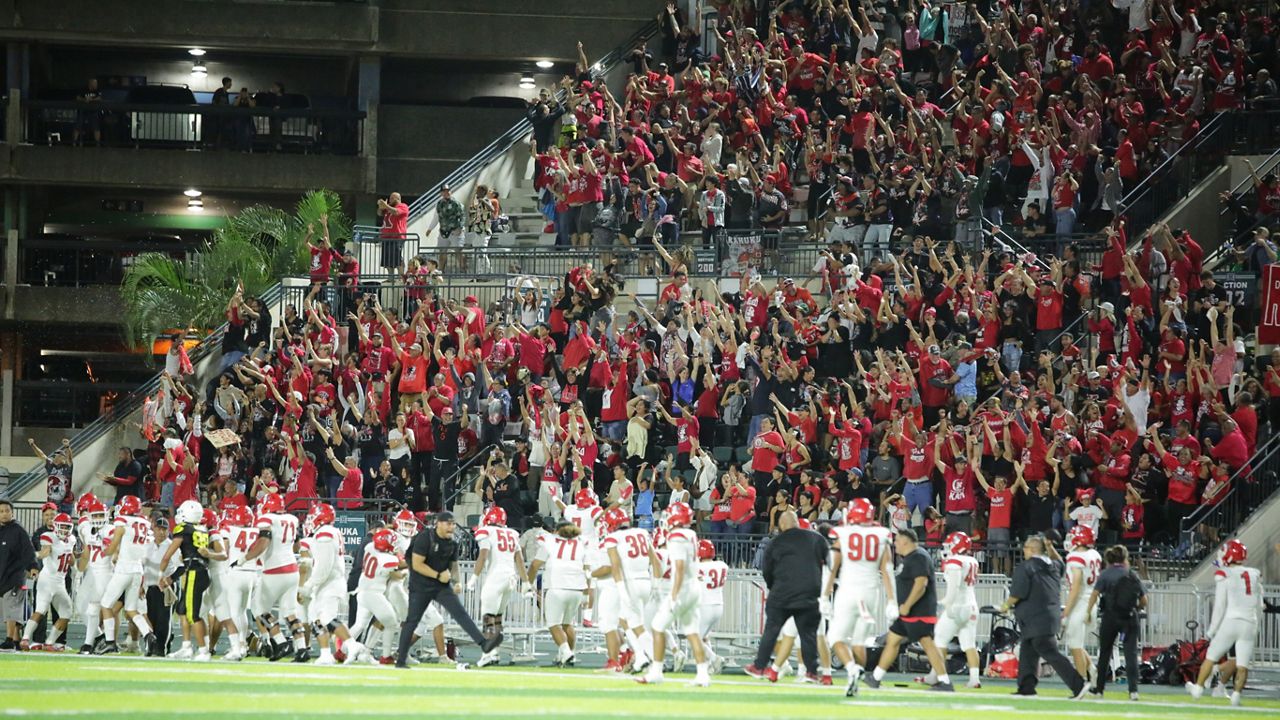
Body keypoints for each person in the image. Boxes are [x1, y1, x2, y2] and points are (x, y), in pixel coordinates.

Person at [395, 511, 502, 667]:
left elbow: (453, 565)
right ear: (439, 523)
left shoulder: (452, 543)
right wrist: (438, 575)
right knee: (412, 621)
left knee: (460, 613)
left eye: (453, 524)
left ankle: (483, 643)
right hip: (420, 585)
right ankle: (400, 659)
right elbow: (417, 565)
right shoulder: (425, 538)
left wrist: (457, 581)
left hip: (440, 585)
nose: (451, 527)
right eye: (448, 523)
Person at [862, 529, 953, 693]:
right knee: (893, 641)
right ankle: (875, 678)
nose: (894, 544)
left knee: (928, 644)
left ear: (905, 541)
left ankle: (945, 682)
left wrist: (907, 605)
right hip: (908, 615)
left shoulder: (918, 557)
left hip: (919, 612)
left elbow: (921, 584)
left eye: (896, 541)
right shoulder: (911, 558)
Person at [745, 510, 828, 685]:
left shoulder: (775, 543)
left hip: (782, 593)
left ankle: (760, 666)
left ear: (782, 525)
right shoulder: (816, 538)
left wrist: (772, 586)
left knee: (772, 630)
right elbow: (828, 560)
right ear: (797, 522)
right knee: (808, 634)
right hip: (809, 592)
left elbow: (767, 570)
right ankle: (812, 672)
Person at [1000, 534, 1088, 698]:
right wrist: (1050, 547)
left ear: (1032, 549)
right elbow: (1061, 562)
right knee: (1028, 651)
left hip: (1035, 617)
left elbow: (1018, 593)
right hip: (1047, 616)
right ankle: (1026, 687)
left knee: (1049, 651)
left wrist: (1004, 606)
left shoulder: (1026, 567)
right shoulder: (1053, 566)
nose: (1023, 550)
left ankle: (1078, 684)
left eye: (1025, 547)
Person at [823, 498, 895, 696]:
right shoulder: (882, 535)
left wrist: (824, 595)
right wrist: (892, 601)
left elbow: (832, 567)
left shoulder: (844, 533)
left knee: (835, 637)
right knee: (859, 641)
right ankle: (855, 678)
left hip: (848, 591)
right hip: (871, 593)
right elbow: (887, 570)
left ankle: (851, 670)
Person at [635, 502, 711, 687]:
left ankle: (657, 671)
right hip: (694, 587)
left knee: (657, 627)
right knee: (692, 632)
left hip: (682, 588)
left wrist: (674, 595)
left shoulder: (676, 536)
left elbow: (679, 566)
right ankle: (703, 675)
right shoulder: (691, 534)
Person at [1186, 539, 1263, 707]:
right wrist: (1256, 624)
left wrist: (1211, 631)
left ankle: (1198, 689)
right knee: (1242, 665)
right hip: (1250, 623)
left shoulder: (1225, 574)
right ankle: (1236, 696)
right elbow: (1259, 604)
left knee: (1211, 657)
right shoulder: (1254, 574)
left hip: (1232, 621)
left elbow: (1220, 606)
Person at [159, 500, 223, 662]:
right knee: (182, 610)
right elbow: (190, 555)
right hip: (199, 571)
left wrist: (161, 573)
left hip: (195, 573)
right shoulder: (202, 529)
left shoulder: (184, 529)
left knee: (192, 615)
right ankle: (186, 647)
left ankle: (203, 651)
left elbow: (168, 555)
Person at [95, 496, 158, 656]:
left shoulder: (122, 522)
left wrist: (103, 550)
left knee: (106, 605)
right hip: (138, 570)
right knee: (131, 609)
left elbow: (112, 547)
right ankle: (148, 635)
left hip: (124, 569)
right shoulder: (144, 522)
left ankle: (110, 642)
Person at [1086, 545, 1146, 701]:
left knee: (1105, 653)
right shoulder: (1131, 574)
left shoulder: (1105, 574)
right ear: (1125, 558)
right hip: (1130, 618)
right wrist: (1135, 608)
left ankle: (1099, 690)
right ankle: (1133, 691)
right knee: (1130, 654)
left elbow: (1095, 595)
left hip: (1110, 617)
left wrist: (1088, 612)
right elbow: (1144, 600)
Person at [470, 506, 527, 668]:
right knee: (497, 618)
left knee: (488, 618)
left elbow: (483, 554)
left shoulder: (487, 532)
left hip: (496, 578)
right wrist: (526, 583)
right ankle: (494, 652)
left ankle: (487, 653)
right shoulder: (512, 533)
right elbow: (520, 560)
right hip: (510, 578)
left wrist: (474, 576)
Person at [925, 532, 982, 688]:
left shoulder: (954, 562)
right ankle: (974, 680)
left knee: (939, 641)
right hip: (971, 606)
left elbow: (955, 586)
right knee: (969, 644)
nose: (947, 548)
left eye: (950, 545)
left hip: (957, 606)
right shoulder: (972, 560)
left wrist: (946, 603)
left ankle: (936, 676)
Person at [527, 519, 588, 667]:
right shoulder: (581, 543)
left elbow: (535, 565)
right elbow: (587, 568)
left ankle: (566, 652)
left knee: (554, 624)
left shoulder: (550, 541)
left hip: (557, 586)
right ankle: (569, 653)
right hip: (577, 588)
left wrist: (528, 582)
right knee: (568, 624)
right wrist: (587, 592)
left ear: (557, 531)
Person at [21, 511, 73, 651]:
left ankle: (50, 642)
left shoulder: (72, 540)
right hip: (47, 580)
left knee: (66, 613)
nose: (64, 530)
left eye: (67, 527)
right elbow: (45, 552)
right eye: (61, 526)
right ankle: (25, 639)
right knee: (41, 610)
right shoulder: (48, 536)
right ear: (55, 526)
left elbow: (71, 560)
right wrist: (31, 556)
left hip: (60, 582)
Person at [1061, 525, 1103, 685]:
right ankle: (1091, 670)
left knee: (1075, 645)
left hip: (1081, 603)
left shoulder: (1075, 557)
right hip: (1092, 602)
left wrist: (1066, 611)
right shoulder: (1095, 554)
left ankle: (1081, 682)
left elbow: (1076, 586)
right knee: (1076, 642)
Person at [0, 500, 36, 651]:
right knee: (6, 610)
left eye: (7, 511)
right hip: (2, 576)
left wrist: (33, 566)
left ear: (12, 512)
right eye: (1, 511)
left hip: (15, 576)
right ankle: (15, 640)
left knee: (12, 608)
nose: (4, 514)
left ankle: (8, 640)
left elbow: (28, 550)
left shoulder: (18, 530)